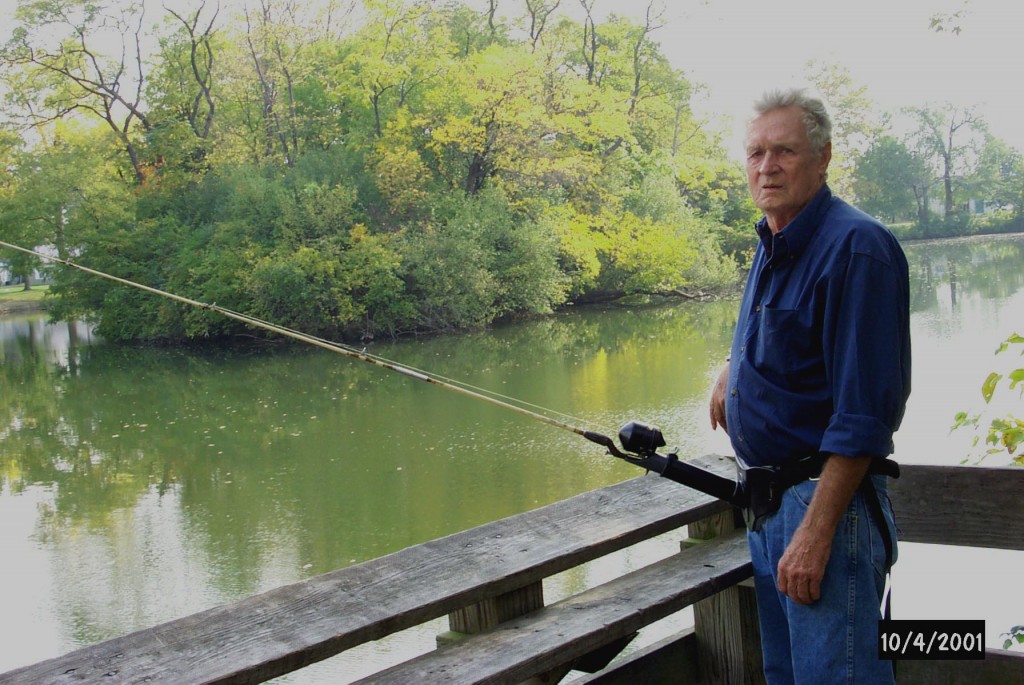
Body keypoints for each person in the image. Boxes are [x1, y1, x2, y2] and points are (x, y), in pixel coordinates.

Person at [708, 89, 911, 685]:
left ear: (822, 158)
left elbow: (864, 415)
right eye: (755, 153)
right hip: (769, 511)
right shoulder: (774, 243)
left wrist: (814, 534)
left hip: (824, 509)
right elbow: (793, 338)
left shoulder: (856, 248)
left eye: (784, 151)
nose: (766, 166)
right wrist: (732, 371)